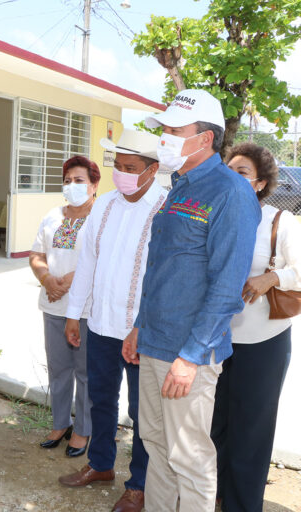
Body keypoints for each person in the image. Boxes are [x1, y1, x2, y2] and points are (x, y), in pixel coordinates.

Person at [122, 89, 261, 511]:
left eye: (173, 130)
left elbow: (226, 287)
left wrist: (192, 356)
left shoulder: (230, 192)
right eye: (163, 129)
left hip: (187, 354)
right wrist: (140, 325)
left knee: (190, 457)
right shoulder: (179, 185)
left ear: (205, 138)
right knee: (157, 446)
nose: (163, 136)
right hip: (154, 343)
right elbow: (163, 268)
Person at [58, 130, 164, 512]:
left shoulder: (164, 209)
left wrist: (141, 325)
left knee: (142, 412)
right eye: (117, 167)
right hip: (100, 324)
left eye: (131, 168)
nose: (123, 174)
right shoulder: (103, 205)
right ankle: (101, 464)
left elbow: (163, 276)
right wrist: (75, 313)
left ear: (152, 170)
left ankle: (139, 484)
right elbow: (87, 262)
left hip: (141, 332)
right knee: (100, 399)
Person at [211, 142, 301, 511]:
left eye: (242, 173)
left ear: (261, 183)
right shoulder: (214, 216)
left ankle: (242, 504)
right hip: (216, 336)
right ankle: (212, 492)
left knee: (251, 428)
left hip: (263, 340)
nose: (233, 178)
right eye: (228, 171)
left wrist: (272, 278)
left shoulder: (280, 220)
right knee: (214, 424)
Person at [29, 155, 100, 457]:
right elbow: (36, 254)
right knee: (59, 370)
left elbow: (101, 260)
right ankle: (60, 424)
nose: (72, 185)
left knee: (85, 372)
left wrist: (67, 282)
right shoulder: (52, 216)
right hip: (53, 305)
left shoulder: (101, 217)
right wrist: (47, 279)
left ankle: (83, 430)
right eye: (68, 180)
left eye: (79, 180)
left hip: (86, 309)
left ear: (94, 184)